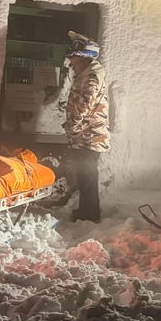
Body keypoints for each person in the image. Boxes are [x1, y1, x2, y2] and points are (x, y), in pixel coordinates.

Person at [62, 30, 109, 223]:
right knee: (84, 177)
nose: (71, 62)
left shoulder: (91, 77)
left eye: (74, 58)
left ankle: (90, 215)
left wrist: (71, 126)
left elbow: (84, 104)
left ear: (84, 58)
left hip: (90, 136)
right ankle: (86, 211)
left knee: (88, 178)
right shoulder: (86, 73)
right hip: (85, 136)